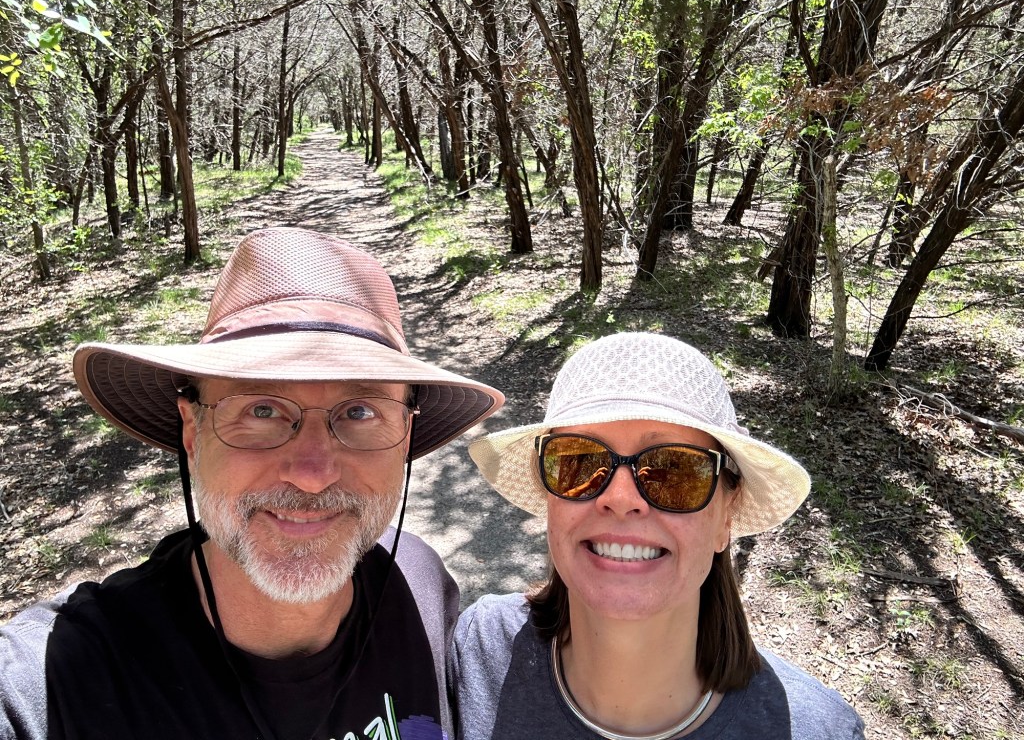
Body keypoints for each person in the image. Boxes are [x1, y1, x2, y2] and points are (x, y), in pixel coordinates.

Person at [0, 227, 504, 740]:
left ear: (406, 435)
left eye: (359, 411)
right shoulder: (58, 678)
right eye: (261, 410)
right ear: (191, 431)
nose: (311, 474)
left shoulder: (418, 586)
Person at [454, 332, 865, 739]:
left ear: (727, 515)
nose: (619, 498)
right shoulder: (479, 650)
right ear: (550, 500)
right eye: (578, 461)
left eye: (675, 469)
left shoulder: (820, 730)